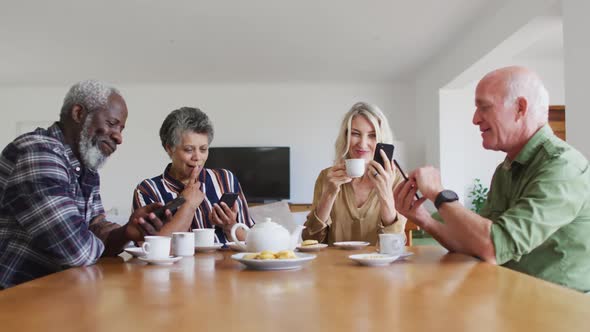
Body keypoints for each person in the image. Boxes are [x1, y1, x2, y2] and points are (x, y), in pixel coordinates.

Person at [394, 66, 590, 292]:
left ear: (520, 108)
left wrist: (440, 195)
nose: (475, 119)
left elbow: (494, 247)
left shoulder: (563, 167)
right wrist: (423, 218)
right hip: (512, 301)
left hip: (560, 314)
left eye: (484, 107)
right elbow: (476, 246)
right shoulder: (505, 170)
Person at [0, 80, 164, 289]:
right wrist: (98, 238)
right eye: (112, 123)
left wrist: (126, 232)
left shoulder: (86, 168)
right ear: (78, 114)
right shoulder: (38, 151)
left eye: (122, 129)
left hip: (54, 295)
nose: (119, 137)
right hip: (12, 300)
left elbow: (96, 226)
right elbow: (78, 251)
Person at [132, 107, 254, 243]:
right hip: (173, 265)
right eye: (189, 150)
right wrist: (188, 204)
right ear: (169, 148)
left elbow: (252, 241)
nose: (197, 157)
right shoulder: (147, 190)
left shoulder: (225, 179)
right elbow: (151, 247)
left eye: (203, 149)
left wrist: (229, 225)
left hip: (224, 263)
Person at [302, 102, 407, 245]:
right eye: (355, 134)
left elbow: (395, 245)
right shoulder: (327, 177)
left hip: (380, 266)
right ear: (345, 137)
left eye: (372, 135)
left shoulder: (397, 179)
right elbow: (310, 241)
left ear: (382, 140)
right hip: (333, 266)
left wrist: (385, 194)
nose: (363, 144)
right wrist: (329, 194)